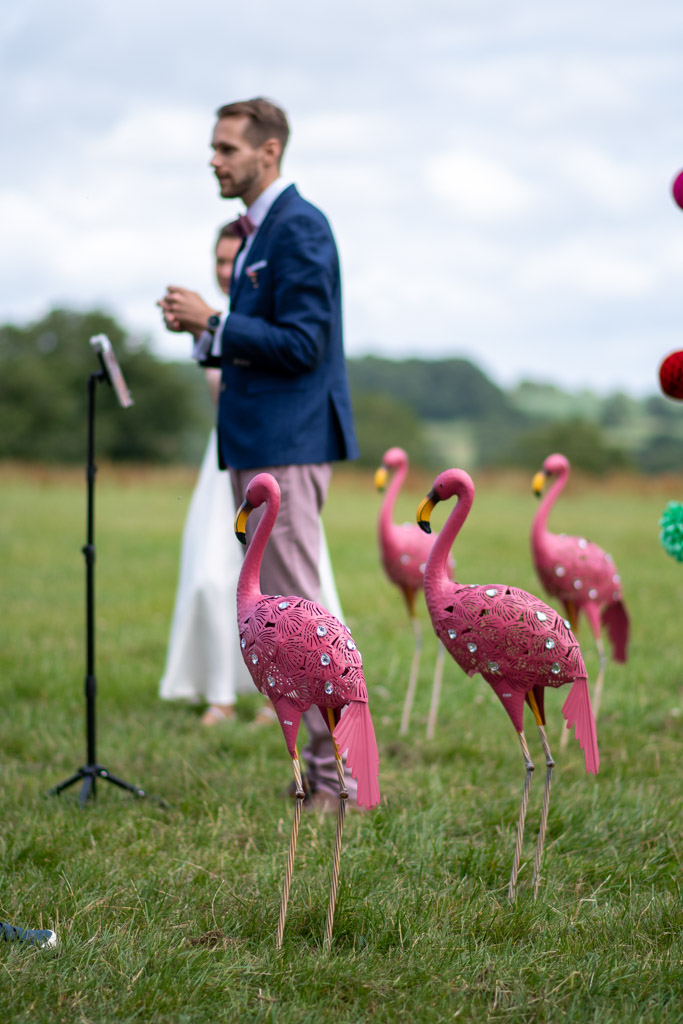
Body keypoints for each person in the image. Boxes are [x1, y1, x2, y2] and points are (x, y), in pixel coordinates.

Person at [160, 98, 360, 810]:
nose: (213, 160)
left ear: (267, 151)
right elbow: (258, 342)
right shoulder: (254, 233)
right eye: (214, 149)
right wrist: (207, 334)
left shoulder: (299, 227)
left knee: (301, 614)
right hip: (257, 445)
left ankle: (338, 777)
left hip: (290, 445)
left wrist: (215, 318)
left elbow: (303, 346)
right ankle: (316, 769)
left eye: (226, 149)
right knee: (281, 615)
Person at [158, 224, 345, 728]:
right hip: (225, 453)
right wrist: (203, 330)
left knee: (282, 582)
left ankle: (285, 693)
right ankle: (221, 690)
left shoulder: (248, 322)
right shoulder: (224, 325)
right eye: (218, 262)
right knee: (210, 577)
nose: (225, 271)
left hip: (269, 454)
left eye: (232, 261)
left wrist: (214, 325)